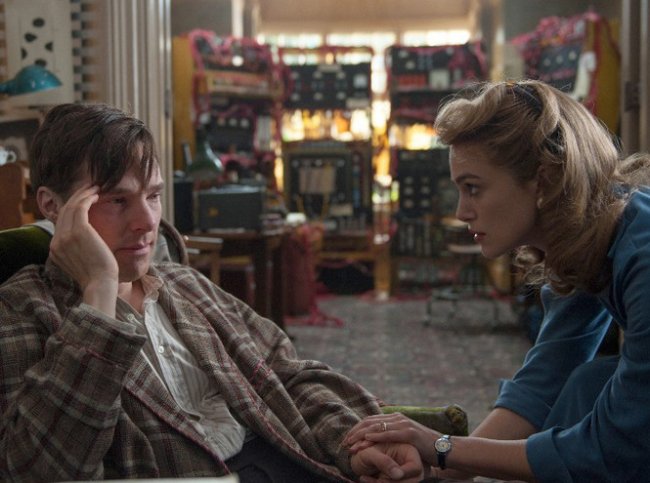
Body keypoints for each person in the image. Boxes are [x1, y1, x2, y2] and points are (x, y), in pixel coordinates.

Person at [0, 103, 423, 482]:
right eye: (116, 201)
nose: (147, 221)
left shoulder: (184, 284)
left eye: (153, 195)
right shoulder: (22, 308)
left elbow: (285, 375)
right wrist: (99, 294)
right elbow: (38, 468)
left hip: (285, 459)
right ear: (53, 207)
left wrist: (353, 443)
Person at [343, 79, 650, 482]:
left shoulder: (642, 256)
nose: (462, 211)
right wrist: (442, 470)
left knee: (591, 392)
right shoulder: (587, 232)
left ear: (543, 180)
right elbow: (544, 379)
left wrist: (441, 447)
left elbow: (608, 450)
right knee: (585, 385)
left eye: (473, 188)